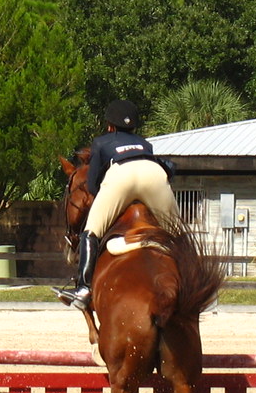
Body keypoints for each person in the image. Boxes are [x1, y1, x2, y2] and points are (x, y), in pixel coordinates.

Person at [57, 99, 179, 312]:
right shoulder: (145, 144)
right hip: (154, 174)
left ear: (109, 126)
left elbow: (94, 185)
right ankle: (190, 280)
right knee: (177, 233)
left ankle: (84, 289)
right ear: (134, 127)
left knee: (91, 232)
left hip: (120, 175)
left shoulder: (101, 143)